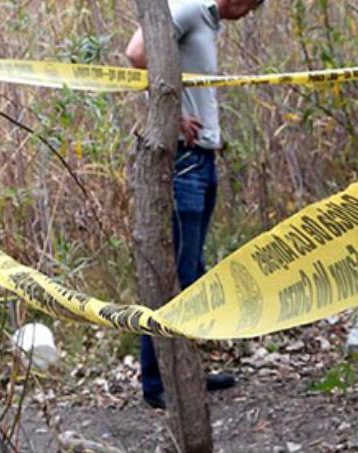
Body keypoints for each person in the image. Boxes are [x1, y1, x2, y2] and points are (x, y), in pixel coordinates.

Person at [125, 0, 265, 410]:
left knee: (194, 275)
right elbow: (136, 54)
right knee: (175, 273)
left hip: (205, 158)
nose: (249, 15)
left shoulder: (209, 22)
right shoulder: (188, 9)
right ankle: (156, 383)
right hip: (184, 162)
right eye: (252, 7)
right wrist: (171, 115)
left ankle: (187, 372)